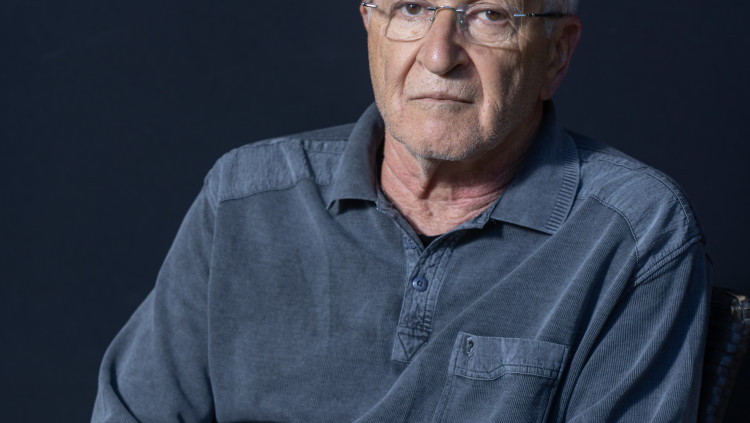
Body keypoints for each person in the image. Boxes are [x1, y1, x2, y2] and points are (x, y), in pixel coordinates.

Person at [93, 0, 711, 421]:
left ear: (555, 53)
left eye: (489, 15)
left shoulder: (634, 233)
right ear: (371, 26)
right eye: (411, 8)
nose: (439, 55)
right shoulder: (246, 197)